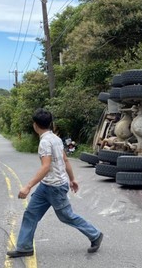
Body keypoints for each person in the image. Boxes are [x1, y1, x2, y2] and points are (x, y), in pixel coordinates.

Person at [7, 108, 103, 258]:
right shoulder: (56, 139)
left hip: (56, 187)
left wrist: (27, 186)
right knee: (31, 214)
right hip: (46, 185)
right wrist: (72, 179)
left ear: (35, 125)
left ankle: (95, 235)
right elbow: (65, 160)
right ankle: (24, 247)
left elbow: (46, 167)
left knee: (66, 216)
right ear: (50, 123)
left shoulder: (45, 142)